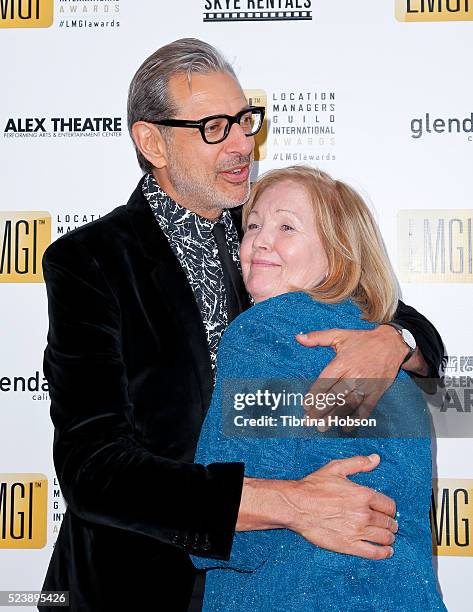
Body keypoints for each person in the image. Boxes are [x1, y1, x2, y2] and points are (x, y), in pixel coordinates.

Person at [39, 39, 444, 612]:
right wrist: (291, 504)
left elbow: (411, 327)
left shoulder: (268, 228)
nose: (241, 144)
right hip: (135, 584)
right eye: (213, 127)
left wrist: (391, 343)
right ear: (151, 140)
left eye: (243, 119)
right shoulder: (89, 262)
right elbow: (94, 471)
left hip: (266, 588)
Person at [192, 166, 447, 611]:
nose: (260, 239)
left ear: (340, 254)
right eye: (253, 225)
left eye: (286, 226)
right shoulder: (387, 362)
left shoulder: (263, 333)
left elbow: (224, 530)